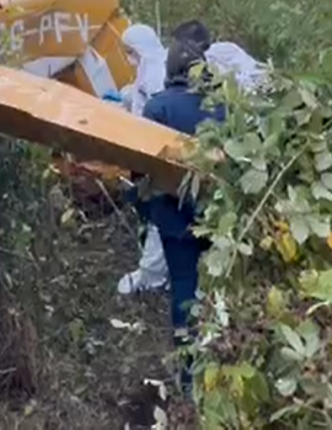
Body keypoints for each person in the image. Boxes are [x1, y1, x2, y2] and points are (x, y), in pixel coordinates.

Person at [138, 31, 224, 392]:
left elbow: (140, 168)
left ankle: (188, 376)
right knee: (219, 289)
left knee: (184, 290)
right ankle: (223, 359)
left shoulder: (156, 108)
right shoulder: (221, 105)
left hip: (174, 219)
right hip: (217, 215)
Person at [115, 25, 170, 295]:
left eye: (129, 53)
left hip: (158, 155)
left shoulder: (157, 73)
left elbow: (154, 111)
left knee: (159, 216)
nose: (128, 58)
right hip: (148, 154)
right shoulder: (154, 65)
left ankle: (152, 275)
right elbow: (136, 93)